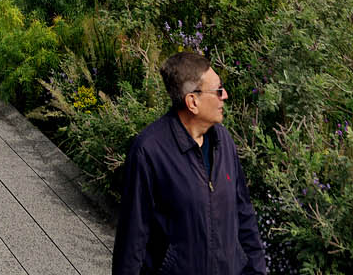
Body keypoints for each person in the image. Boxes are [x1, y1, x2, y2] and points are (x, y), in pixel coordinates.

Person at [112, 50, 267, 275]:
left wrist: (256, 269)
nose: (225, 96)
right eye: (218, 91)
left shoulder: (222, 141)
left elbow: (243, 212)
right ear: (192, 101)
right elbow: (132, 239)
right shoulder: (149, 151)